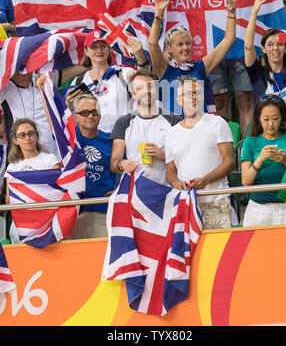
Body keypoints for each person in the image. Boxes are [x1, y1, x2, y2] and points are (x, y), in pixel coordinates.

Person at [206, 0, 286, 137]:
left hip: (241, 46)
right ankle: (225, 150)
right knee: (219, 101)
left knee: (244, 98)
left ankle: (244, 149)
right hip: (213, 46)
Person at [148, 0, 237, 115]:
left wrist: (231, 8)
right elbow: (153, 44)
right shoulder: (165, 70)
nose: (185, 48)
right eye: (180, 44)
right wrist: (159, 14)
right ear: (169, 48)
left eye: (188, 43)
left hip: (200, 129)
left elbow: (229, 39)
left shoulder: (200, 67)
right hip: (174, 131)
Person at [165, 76, 235, 229]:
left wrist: (205, 180)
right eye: (190, 93)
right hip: (186, 202)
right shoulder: (171, 133)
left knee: (219, 250)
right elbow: (170, 170)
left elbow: (230, 162)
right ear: (179, 100)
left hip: (216, 200)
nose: (195, 96)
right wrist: (176, 182)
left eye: (198, 93)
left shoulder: (217, 123)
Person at [66, 29, 148, 133]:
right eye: (94, 47)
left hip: (123, 139)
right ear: (86, 51)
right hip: (95, 143)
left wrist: (141, 59)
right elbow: (75, 121)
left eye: (103, 46)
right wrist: (68, 107)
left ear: (109, 49)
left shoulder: (123, 73)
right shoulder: (78, 82)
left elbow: (145, 84)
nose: (99, 50)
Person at [110, 69, 182, 186]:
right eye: (140, 88)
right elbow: (114, 163)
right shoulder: (123, 122)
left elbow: (185, 158)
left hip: (167, 190)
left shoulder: (174, 120)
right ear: (133, 94)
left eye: (150, 86)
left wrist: (162, 155)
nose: (146, 91)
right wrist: (122, 164)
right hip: (135, 193)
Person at [244, 0, 286, 134]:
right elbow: (248, 47)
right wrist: (254, 13)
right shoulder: (259, 75)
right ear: (263, 49)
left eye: (280, 44)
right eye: (270, 44)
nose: (275, 48)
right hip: (264, 136)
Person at [0, 65, 88, 157]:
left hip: (51, 152)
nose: (26, 74)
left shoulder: (43, 79)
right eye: (21, 71)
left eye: (28, 69)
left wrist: (89, 64)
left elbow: (74, 70)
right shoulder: (5, 87)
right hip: (23, 153)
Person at [241, 94, 286, 227]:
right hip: (257, 208)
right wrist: (260, 159)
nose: (271, 124)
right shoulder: (250, 142)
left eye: (275, 118)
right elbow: (245, 181)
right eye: (266, 119)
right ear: (258, 119)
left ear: (282, 118)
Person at [4, 118, 60, 243]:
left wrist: (24, 191)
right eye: (22, 135)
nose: (27, 138)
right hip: (21, 224)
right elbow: (9, 199)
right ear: (15, 140)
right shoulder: (12, 167)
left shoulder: (50, 160)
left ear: (37, 136)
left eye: (31, 133)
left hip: (47, 222)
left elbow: (56, 193)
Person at [68, 93, 116, 239]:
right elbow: (54, 122)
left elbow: (125, 169)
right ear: (75, 116)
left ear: (100, 115)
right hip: (74, 211)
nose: (90, 116)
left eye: (94, 112)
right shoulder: (69, 136)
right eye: (84, 112)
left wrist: (119, 190)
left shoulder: (111, 140)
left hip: (103, 210)